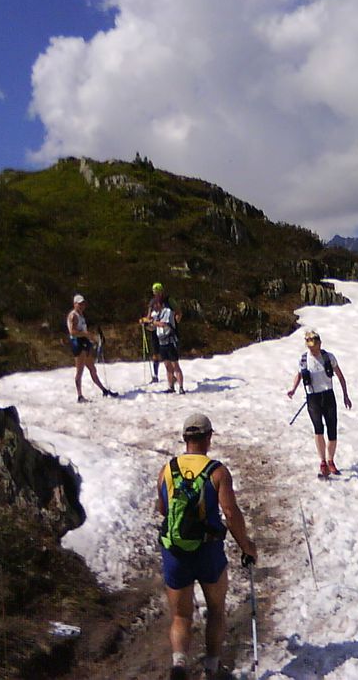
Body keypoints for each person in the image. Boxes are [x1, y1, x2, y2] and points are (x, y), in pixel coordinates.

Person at [156, 413, 257, 680]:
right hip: (208, 552)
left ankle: (178, 665)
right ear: (208, 438)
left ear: (184, 438)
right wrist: (246, 546)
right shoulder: (218, 472)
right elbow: (230, 512)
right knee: (215, 610)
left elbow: (163, 509)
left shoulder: (167, 469)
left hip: (175, 551)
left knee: (180, 615)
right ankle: (211, 667)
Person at [286, 329, 352, 478]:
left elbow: (340, 376)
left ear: (320, 344)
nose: (313, 350)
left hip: (328, 395)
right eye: (310, 347)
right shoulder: (303, 360)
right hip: (313, 398)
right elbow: (299, 375)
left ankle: (331, 460)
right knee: (318, 429)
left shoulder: (328, 357)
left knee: (332, 430)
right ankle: (323, 461)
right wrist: (293, 389)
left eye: (315, 347)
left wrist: (345, 395)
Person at [66, 294, 117, 402]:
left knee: (92, 369)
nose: (82, 306)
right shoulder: (73, 316)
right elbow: (72, 332)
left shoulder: (81, 315)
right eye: (79, 304)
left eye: (83, 304)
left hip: (84, 342)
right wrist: (85, 334)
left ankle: (103, 390)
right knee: (79, 371)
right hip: (78, 343)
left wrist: (90, 337)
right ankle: (79, 395)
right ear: (75, 304)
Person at [153, 294, 184, 393]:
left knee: (175, 365)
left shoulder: (168, 312)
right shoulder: (156, 314)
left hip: (170, 342)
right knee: (167, 366)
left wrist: (153, 322)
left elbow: (164, 324)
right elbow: (153, 327)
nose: (155, 306)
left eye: (156, 304)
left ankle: (181, 387)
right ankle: (171, 386)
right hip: (161, 343)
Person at [139, 282, 165, 383]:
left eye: (158, 292)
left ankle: (172, 374)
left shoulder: (165, 303)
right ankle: (155, 375)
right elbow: (149, 316)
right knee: (156, 353)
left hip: (164, 331)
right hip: (154, 330)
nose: (156, 294)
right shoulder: (152, 302)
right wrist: (143, 320)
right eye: (155, 292)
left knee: (166, 354)